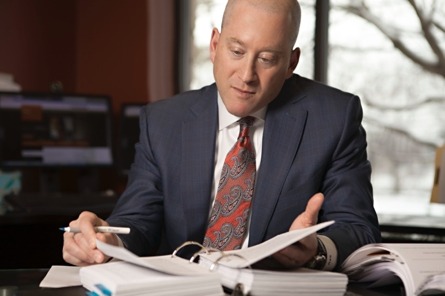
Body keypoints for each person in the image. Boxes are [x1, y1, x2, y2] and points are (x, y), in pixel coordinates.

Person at [62, 0, 381, 271]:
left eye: (267, 59)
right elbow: (137, 223)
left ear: (291, 63)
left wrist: (317, 249)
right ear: (215, 45)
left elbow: (359, 230)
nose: (246, 76)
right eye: (237, 51)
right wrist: (105, 241)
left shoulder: (334, 119)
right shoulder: (163, 122)